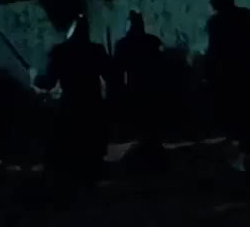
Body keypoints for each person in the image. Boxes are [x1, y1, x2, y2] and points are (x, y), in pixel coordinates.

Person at [33, 15, 111, 189]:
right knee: (90, 148)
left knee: (72, 147)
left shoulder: (61, 52)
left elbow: (48, 82)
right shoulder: (96, 50)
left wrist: (35, 77)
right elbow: (111, 73)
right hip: (92, 105)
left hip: (72, 105)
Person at [204, 0, 250, 146]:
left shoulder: (216, 23)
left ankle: (240, 140)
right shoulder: (248, 15)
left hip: (228, 72)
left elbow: (214, 50)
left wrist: (208, 71)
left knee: (234, 109)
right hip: (247, 70)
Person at [112, 11, 167, 163]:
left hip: (137, 86)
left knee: (142, 120)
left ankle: (147, 150)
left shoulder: (124, 44)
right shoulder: (152, 41)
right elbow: (161, 64)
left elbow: (117, 70)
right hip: (150, 87)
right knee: (148, 120)